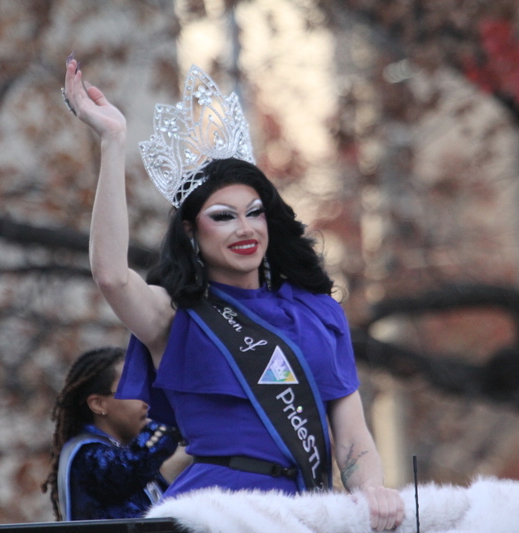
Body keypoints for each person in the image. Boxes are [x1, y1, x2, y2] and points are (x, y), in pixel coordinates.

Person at [61, 57, 405, 531]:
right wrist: (112, 140)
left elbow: (352, 438)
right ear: (191, 231)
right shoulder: (176, 316)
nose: (244, 228)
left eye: (255, 213)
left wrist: (371, 490)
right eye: (223, 216)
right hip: (217, 514)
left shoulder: (319, 312)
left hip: (306, 511)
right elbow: (111, 276)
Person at [41, 347, 184, 520]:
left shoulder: (128, 458)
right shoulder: (85, 455)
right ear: (98, 404)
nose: (149, 400)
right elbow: (132, 465)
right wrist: (169, 418)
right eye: (136, 389)